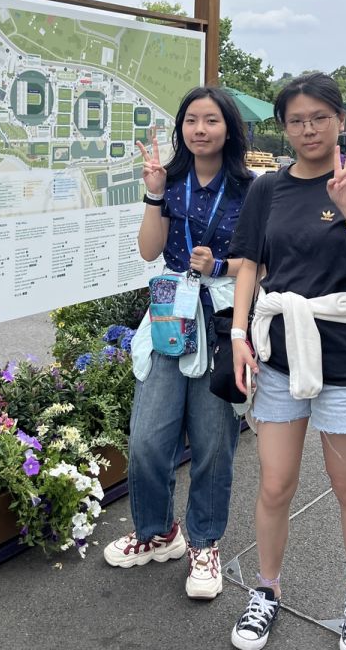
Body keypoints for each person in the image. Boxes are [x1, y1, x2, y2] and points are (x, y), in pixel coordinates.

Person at [228, 72, 346, 650]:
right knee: (275, 484)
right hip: (279, 355)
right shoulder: (266, 189)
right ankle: (266, 590)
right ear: (284, 126)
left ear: (340, 121)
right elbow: (249, 265)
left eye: (320, 118)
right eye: (296, 120)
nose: (308, 129)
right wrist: (238, 334)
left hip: (343, 360)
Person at [103, 86, 254, 600]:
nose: (200, 129)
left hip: (221, 318)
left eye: (211, 120)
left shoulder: (250, 188)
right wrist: (152, 194)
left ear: (228, 129)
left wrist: (221, 265)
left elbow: (262, 262)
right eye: (191, 120)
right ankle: (158, 532)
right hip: (170, 313)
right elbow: (149, 251)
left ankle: (205, 544)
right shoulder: (169, 181)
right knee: (147, 437)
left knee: (213, 442)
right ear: (181, 128)